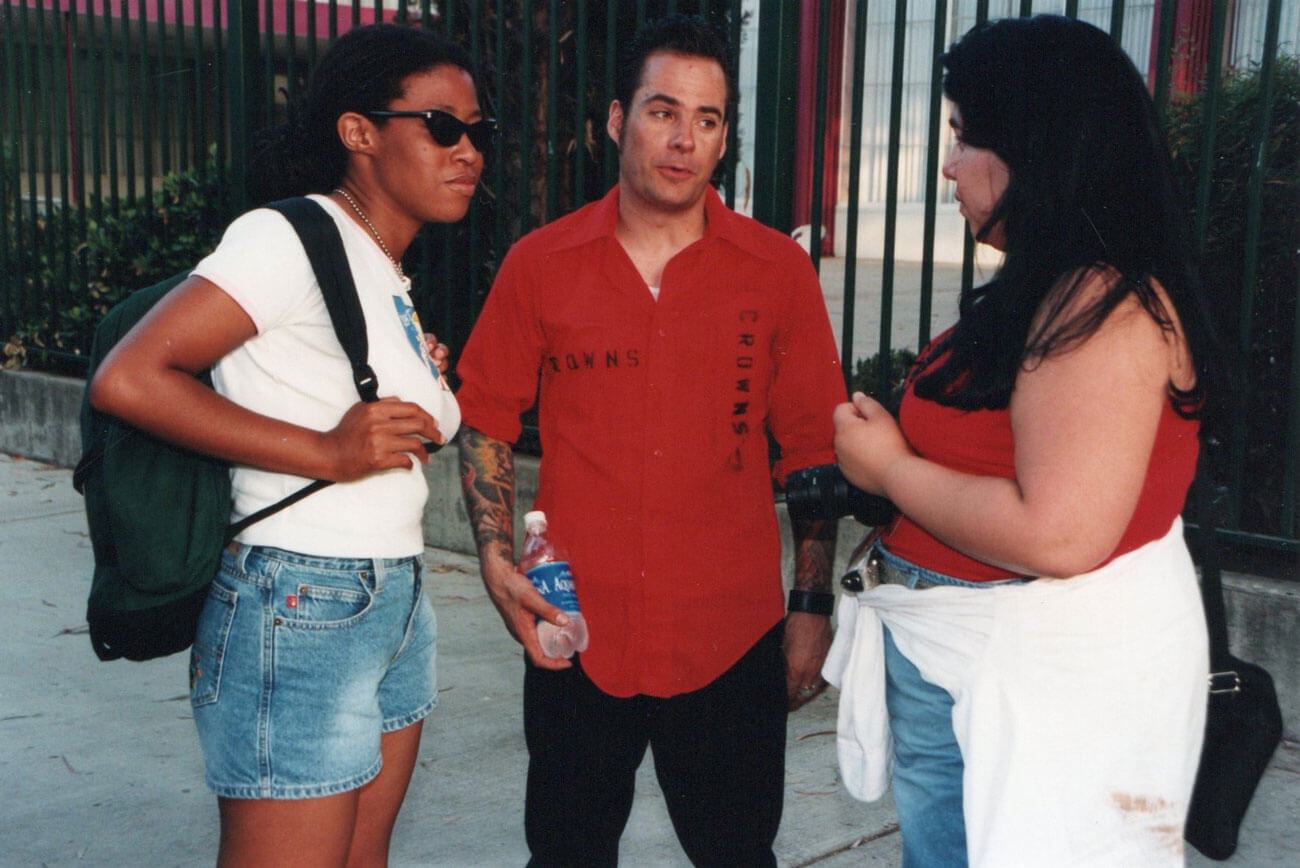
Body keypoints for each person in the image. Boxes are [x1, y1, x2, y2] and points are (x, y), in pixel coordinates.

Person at [88, 23, 489, 866]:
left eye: (476, 132)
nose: (468, 151)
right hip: (300, 599)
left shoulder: (381, 265)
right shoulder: (288, 237)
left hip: (390, 601)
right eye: (442, 127)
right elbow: (130, 377)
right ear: (360, 132)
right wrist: (325, 450)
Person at [824, 14, 1218, 867]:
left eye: (965, 136)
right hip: (968, 671)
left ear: (1037, 146)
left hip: (1037, 687)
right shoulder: (1052, 284)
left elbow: (1059, 533)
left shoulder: (1104, 305)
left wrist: (891, 469)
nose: (948, 164)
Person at [454, 14, 845, 866]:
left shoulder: (777, 272)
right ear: (614, 119)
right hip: (575, 630)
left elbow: (814, 453)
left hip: (730, 635)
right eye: (663, 111)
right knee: (565, 853)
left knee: (739, 854)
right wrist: (494, 558)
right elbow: (484, 418)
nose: (684, 140)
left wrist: (810, 612)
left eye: (708, 120)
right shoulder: (541, 264)